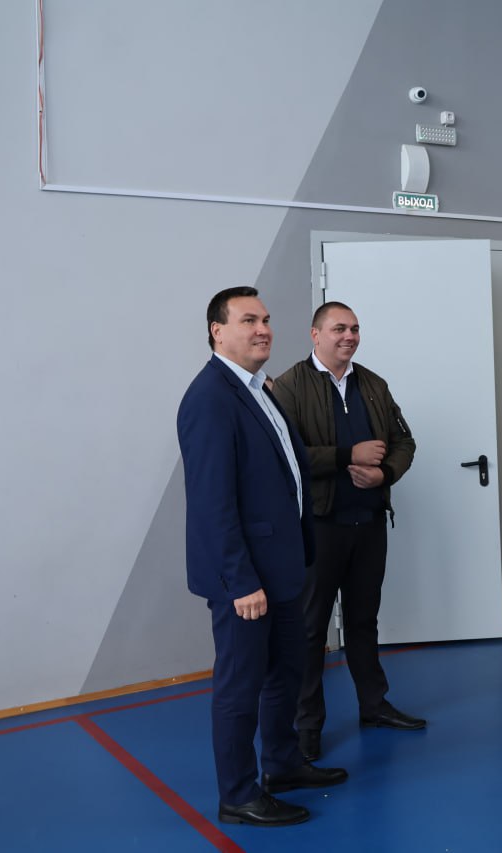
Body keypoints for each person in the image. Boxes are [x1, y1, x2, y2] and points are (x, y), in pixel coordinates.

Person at [177, 287, 348, 827]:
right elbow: (212, 503)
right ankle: (238, 795)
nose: (263, 329)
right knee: (240, 687)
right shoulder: (210, 398)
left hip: (283, 568)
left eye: (267, 319)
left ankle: (282, 765)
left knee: (285, 674)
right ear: (217, 331)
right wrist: (240, 580)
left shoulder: (258, 390)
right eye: (248, 320)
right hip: (246, 580)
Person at [272, 301, 422, 763]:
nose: (349, 336)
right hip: (319, 528)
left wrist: (385, 474)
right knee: (310, 630)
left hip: (369, 524)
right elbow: (285, 454)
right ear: (315, 334)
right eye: (339, 328)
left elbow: (404, 441)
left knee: (363, 621)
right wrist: (347, 455)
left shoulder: (373, 384)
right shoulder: (290, 386)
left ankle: (374, 706)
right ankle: (307, 726)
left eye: (354, 329)